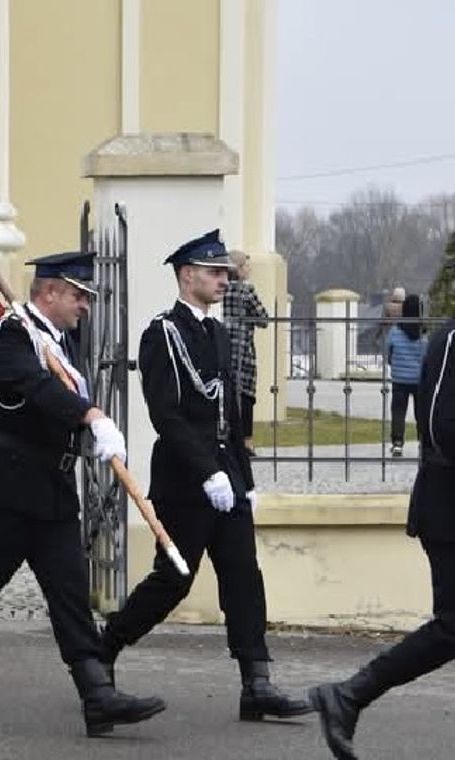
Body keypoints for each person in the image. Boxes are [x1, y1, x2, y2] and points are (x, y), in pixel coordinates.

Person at [0, 252, 165, 738]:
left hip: (51, 490)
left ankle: (97, 696)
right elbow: (31, 387)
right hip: (4, 489)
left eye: (87, 297)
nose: (85, 306)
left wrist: (84, 433)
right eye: (77, 295)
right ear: (47, 292)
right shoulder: (12, 334)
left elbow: (54, 400)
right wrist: (89, 415)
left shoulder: (58, 341)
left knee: (70, 594)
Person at [100, 230, 311, 721]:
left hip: (226, 478)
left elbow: (230, 413)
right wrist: (207, 473)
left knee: (242, 576)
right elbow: (166, 415)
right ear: (187, 274)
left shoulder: (218, 332)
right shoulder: (162, 334)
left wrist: (244, 478)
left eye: (225, 272)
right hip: (184, 480)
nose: (224, 280)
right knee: (173, 579)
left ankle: (256, 683)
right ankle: (105, 647)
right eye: (214, 272)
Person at [309, 315, 455, 759]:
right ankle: (350, 694)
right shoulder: (452, 339)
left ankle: (350, 695)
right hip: (448, 506)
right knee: (453, 625)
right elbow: (439, 425)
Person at [221, 250, 268, 456]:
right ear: (238, 270)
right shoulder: (246, 291)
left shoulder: (221, 290)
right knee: (246, 396)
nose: (249, 269)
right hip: (243, 349)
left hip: (223, 347)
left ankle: (228, 437)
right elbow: (264, 319)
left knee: (227, 395)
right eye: (247, 266)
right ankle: (246, 441)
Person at [386, 293, 426, 457]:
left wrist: (394, 364)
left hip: (399, 379)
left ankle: (397, 443)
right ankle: (423, 441)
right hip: (419, 379)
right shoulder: (424, 333)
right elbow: (427, 355)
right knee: (421, 411)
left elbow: (389, 352)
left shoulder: (395, 331)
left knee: (398, 411)